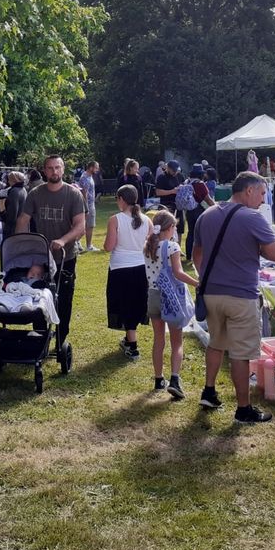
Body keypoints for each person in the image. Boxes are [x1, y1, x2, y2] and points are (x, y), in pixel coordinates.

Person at [193, 171, 275, 423]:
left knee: (215, 343)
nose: (263, 200)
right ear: (249, 191)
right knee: (240, 354)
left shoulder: (206, 215)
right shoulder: (253, 218)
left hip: (211, 293)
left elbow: (197, 253)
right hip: (241, 295)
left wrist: (205, 277)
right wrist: (257, 247)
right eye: (262, 193)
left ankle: (209, 391)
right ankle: (243, 409)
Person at [16, 155, 86, 344]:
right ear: (44, 171)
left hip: (65, 256)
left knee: (63, 298)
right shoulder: (35, 194)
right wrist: (22, 243)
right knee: (37, 296)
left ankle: (61, 337)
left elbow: (80, 226)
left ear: (63, 169)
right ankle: (40, 336)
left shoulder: (73, 194)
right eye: (50, 168)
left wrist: (63, 240)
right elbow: (23, 220)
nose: (54, 171)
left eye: (57, 167)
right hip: (40, 258)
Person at [144, 209, 198, 398]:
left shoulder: (148, 246)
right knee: (177, 341)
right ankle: (175, 378)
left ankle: (158, 378)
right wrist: (197, 283)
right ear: (171, 227)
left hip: (153, 295)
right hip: (171, 297)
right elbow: (178, 273)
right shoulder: (172, 247)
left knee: (158, 339)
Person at [104, 184, 151, 359]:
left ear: (121, 199)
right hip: (141, 267)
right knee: (136, 303)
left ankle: (132, 345)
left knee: (124, 304)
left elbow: (109, 246)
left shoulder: (115, 219)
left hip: (120, 268)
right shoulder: (147, 220)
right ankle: (129, 339)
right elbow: (149, 244)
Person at [183, 163, 215, 256]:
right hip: (199, 210)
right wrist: (216, 207)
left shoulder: (187, 182)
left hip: (189, 210)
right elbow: (208, 199)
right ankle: (200, 254)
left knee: (190, 232)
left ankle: (189, 254)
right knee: (201, 233)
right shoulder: (200, 184)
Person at [155, 160, 184, 238]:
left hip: (178, 205)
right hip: (166, 205)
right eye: (173, 170)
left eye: (176, 170)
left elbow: (183, 184)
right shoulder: (162, 177)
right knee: (165, 227)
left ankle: (177, 244)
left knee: (179, 228)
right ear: (168, 168)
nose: (175, 172)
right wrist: (172, 191)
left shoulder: (179, 176)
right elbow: (158, 192)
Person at [0, 171, 28, 238]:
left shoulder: (14, 192)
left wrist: (2, 211)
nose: (8, 182)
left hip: (13, 230)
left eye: (9, 179)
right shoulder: (23, 189)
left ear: (14, 180)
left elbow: (12, 214)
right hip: (21, 227)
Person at [78, 161, 99, 252]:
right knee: (89, 226)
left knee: (86, 225)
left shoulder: (88, 176)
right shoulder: (85, 177)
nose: (97, 170)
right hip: (88, 205)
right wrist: (86, 208)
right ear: (91, 167)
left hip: (90, 204)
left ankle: (78, 243)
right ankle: (88, 246)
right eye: (96, 168)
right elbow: (84, 193)